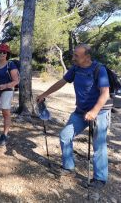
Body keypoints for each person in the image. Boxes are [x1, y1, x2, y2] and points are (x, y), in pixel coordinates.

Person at [37, 44, 110, 189]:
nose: (73, 58)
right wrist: (44, 94)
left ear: (87, 57)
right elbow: (61, 82)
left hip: (100, 112)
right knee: (65, 135)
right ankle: (68, 168)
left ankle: (100, 179)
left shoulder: (99, 70)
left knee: (99, 144)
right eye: (74, 54)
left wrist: (94, 111)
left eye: (76, 55)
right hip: (81, 111)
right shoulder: (75, 68)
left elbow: (105, 93)